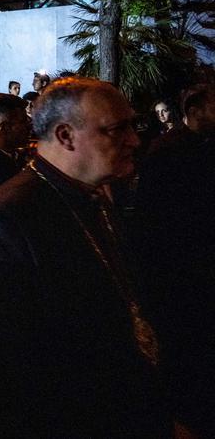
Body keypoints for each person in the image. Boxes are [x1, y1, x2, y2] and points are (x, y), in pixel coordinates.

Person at [0, 77, 168, 436]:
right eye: (117, 129)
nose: (134, 140)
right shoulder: (3, 218)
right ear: (66, 136)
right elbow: (2, 363)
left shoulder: (93, 194)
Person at [134, 84, 215, 436]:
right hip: (180, 273)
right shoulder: (168, 150)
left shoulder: (203, 146)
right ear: (194, 111)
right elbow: (156, 219)